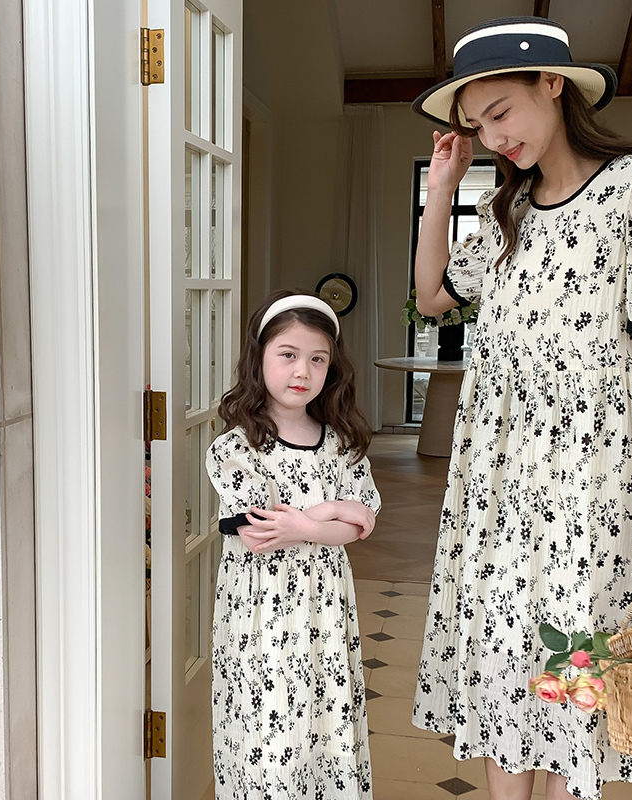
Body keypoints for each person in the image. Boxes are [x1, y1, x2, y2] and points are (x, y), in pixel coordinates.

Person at [410, 16, 632, 800]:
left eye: (501, 112)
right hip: (501, 484)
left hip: (597, 484)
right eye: (477, 125)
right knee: (508, 667)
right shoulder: (506, 213)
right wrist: (441, 192)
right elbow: (433, 294)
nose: (493, 136)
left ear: (554, 85)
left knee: (570, 679)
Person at [205, 290, 381, 799]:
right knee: (270, 722)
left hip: (324, 609)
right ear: (259, 358)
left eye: (317, 359)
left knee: (326, 718)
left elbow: (362, 523)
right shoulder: (237, 447)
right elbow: (260, 532)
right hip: (261, 617)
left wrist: (306, 524)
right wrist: (322, 515)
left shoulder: (341, 442)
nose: (302, 370)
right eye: (288, 354)